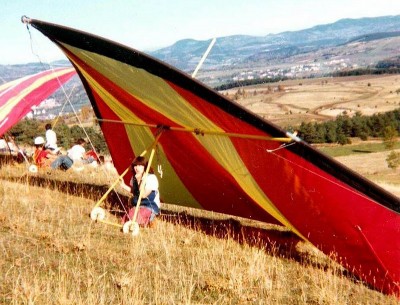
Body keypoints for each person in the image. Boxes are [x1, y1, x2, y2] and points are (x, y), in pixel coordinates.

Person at [122, 156, 160, 227]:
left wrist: (140, 180)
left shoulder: (151, 178)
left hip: (150, 206)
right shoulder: (134, 177)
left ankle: (151, 220)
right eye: (135, 165)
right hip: (138, 205)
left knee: (136, 220)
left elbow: (143, 195)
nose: (136, 168)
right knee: (126, 219)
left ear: (144, 166)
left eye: (139, 165)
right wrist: (123, 185)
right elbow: (135, 192)